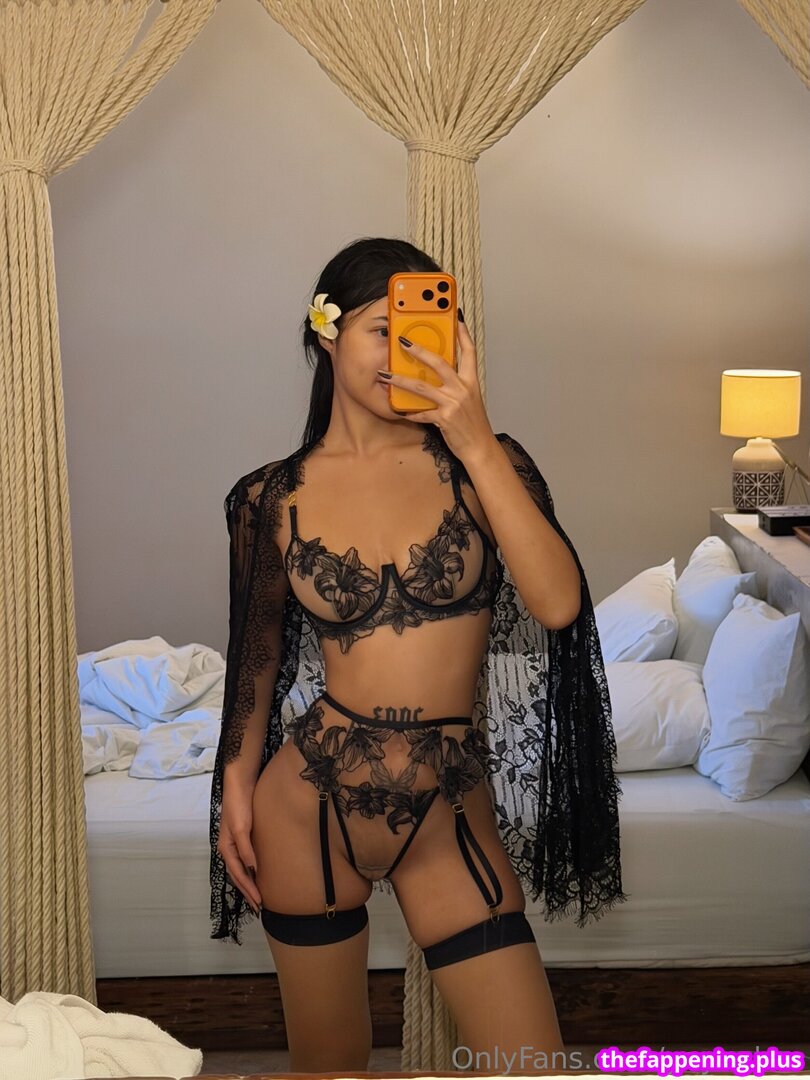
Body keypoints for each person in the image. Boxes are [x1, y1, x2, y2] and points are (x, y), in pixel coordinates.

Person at [209, 237, 627, 1072]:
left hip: (447, 814)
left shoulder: (485, 466)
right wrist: (235, 789)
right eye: (381, 331)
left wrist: (473, 438)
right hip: (308, 807)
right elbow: (257, 656)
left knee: (531, 1066)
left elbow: (558, 603)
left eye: (421, 334)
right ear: (327, 333)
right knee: (330, 1070)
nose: (404, 357)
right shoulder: (270, 496)